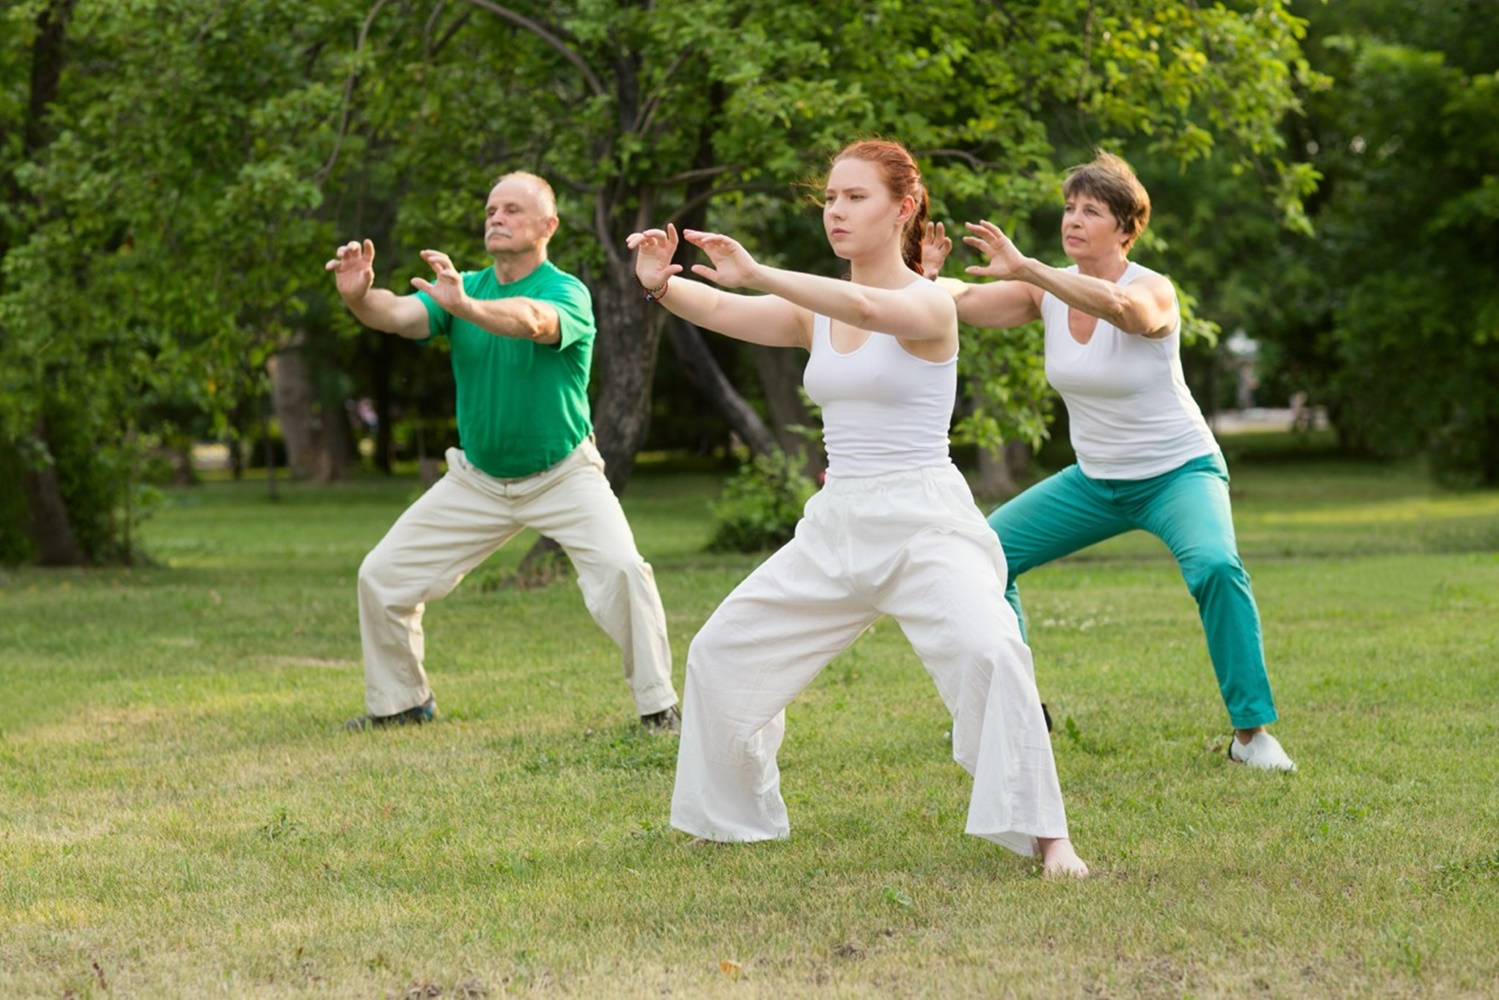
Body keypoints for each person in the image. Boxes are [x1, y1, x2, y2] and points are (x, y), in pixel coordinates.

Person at [628, 140, 1089, 877]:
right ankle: (729, 821)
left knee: (991, 652)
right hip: (836, 524)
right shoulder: (814, 312)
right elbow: (725, 307)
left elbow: (872, 304)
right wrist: (661, 285)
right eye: (830, 199)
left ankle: (1047, 836)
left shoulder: (930, 302)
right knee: (719, 653)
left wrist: (758, 270)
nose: (835, 212)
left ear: (903, 208)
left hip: (925, 525)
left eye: (854, 198)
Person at [924, 150, 1295, 771]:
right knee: (985, 556)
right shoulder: (1042, 293)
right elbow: (960, 302)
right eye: (1069, 207)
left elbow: (1126, 313)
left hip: (1178, 472)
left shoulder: (1151, 288)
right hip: (1095, 482)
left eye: (1091, 210)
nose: (1073, 219)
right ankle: (1019, 711)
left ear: (1126, 229)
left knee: (1214, 566)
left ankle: (1252, 736)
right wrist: (922, 277)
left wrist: (1031, 268)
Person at [325, 171, 680, 732]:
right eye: (492, 209)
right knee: (381, 576)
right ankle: (403, 705)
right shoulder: (459, 287)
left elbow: (532, 322)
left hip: (563, 474)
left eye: (513, 210)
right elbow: (395, 315)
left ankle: (658, 706)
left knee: (623, 572)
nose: (497, 217)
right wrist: (359, 297)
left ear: (548, 226)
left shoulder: (566, 292)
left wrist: (464, 307)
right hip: (478, 480)